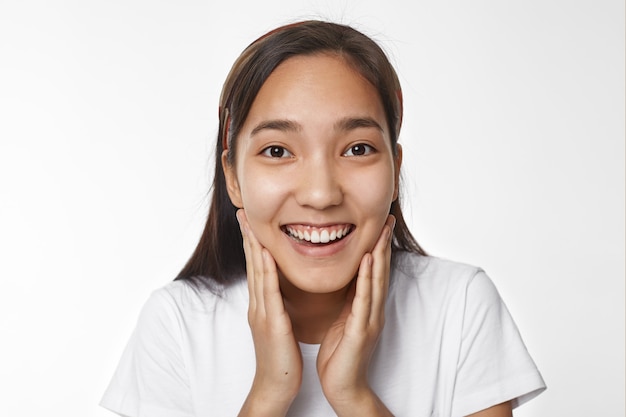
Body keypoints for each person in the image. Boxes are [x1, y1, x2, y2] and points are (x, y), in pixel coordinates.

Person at [100, 20, 545, 417]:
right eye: (277, 151)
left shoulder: (459, 306)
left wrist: (354, 397)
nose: (320, 194)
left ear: (395, 169)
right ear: (233, 176)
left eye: (358, 148)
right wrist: (269, 394)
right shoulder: (178, 323)